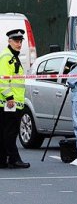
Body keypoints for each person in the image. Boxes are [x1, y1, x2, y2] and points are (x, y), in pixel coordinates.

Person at [0, 29, 30, 169]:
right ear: (9, 41)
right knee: (10, 133)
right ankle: (14, 159)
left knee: (5, 132)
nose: (19, 44)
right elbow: (3, 80)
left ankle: (3, 159)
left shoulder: (12, 56)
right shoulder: (7, 57)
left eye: (20, 41)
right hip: (9, 102)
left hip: (12, 102)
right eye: (16, 41)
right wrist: (9, 97)